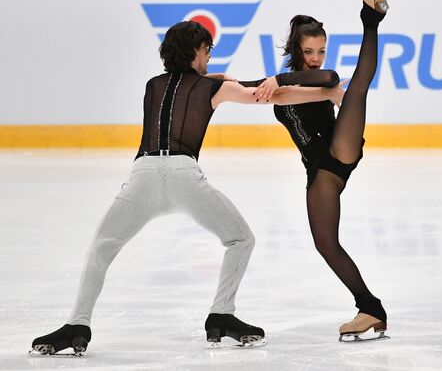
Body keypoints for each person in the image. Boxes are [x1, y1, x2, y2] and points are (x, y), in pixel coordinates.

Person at [30, 20, 344, 355]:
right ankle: (221, 315)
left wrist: (219, 79)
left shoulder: (153, 85)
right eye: (206, 50)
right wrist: (328, 93)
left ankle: (78, 323)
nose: (209, 56)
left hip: (143, 175)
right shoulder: (210, 88)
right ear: (196, 51)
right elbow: (268, 95)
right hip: (184, 175)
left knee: (101, 247)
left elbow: (190, 84)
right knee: (241, 239)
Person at [240, 0, 389, 341]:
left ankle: (371, 18)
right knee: (325, 243)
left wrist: (283, 80)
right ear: (296, 50)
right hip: (319, 172)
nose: (316, 58)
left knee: (357, 88)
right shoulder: (278, 86)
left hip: (338, 146)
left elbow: (330, 79)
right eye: (309, 52)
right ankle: (370, 308)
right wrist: (205, 81)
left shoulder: (307, 79)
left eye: (320, 50)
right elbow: (242, 86)